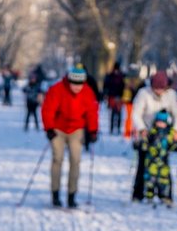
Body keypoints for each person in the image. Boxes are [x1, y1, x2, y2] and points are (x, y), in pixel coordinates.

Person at [41, 65, 99, 208]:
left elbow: (92, 112)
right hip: (58, 129)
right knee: (57, 159)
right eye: (74, 84)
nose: (77, 88)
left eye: (80, 85)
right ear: (69, 81)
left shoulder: (87, 92)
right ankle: (55, 194)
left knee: (75, 160)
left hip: (76, 129)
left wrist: (93, 130)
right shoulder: (57, 89)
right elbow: (47, 109)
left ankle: (71, 196)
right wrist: (49, 128)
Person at [130, 70, 177, 201]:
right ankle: (138, 193)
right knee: (143, 163)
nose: (159, 91)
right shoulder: (143, 94)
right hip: (147, 133)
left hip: (164, 135)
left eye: (161, 89)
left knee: (163, 164)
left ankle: (165, 194)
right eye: (156, 89)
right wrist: (142, 129)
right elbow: (136, 114)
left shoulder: (171, 95)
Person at [141, 111, 177, 205]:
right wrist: (143, 143)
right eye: (158, 122)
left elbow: (171, 145)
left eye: (162, 122)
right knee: (150, 178)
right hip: (152, 160)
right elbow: (146, 142)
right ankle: (149, 195)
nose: (160, 124)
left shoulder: (169, 134)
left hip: (163, 160)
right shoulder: (152, 132)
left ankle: (164, 196)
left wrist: (176, 144)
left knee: (164, 179)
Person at [102, 62, 125, 134]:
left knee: (118, 113)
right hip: (112, 96)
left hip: (118, 96)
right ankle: (112, 129)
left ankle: (117, 128)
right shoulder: (113, 76)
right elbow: (106, 85)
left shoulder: (120, 76)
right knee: (113, 113)